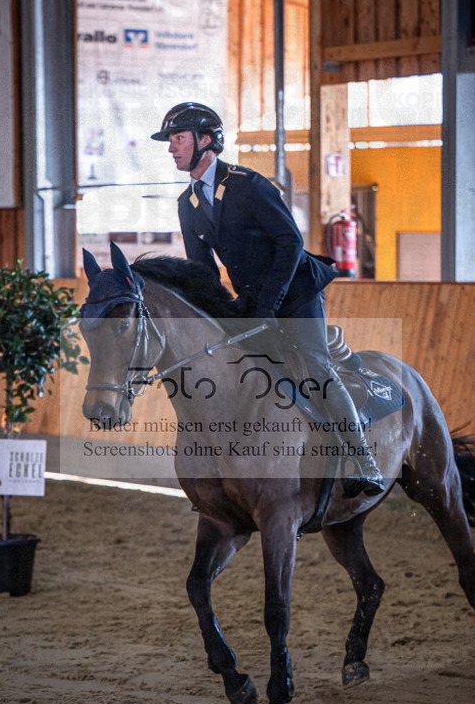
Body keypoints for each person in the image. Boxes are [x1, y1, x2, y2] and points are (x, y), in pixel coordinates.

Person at [151, 101, 384, 497]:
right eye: (170, 141)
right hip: (253, 300)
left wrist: (268, 305)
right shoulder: (186, 204)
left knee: (315, 369)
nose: (171, 147)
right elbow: (202, 272)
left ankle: (363, 459)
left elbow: (290, 242)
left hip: (296, 291)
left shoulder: (248, 184)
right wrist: (221, 316)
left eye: (177, 139)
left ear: (205, 141)